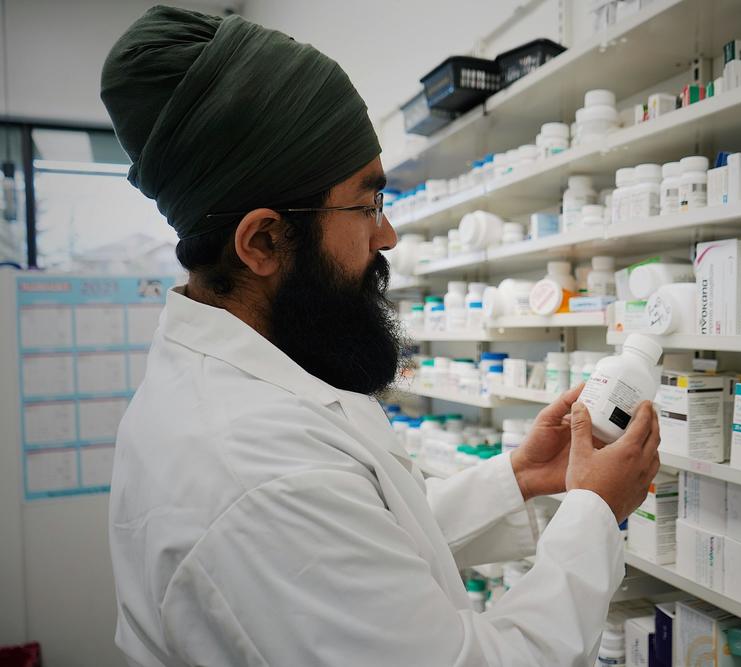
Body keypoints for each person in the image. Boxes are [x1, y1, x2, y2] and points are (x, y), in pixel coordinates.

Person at [101, 6, 661, 666]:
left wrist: (520, 477)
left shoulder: (253, 379)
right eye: (366, 204)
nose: (387, 233)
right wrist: (596, 510)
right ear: (262, 240)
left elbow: (364, 547)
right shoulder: (253, 471)